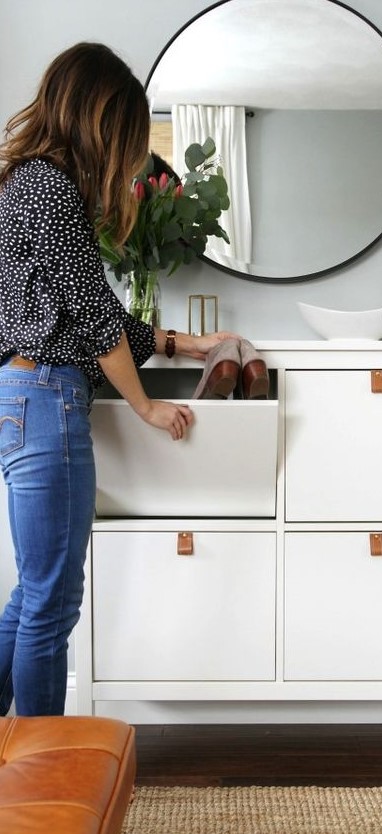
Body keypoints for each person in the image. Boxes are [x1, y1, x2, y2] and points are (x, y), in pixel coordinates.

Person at [0, 42, 238, 716]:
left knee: (34, 592)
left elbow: (84, 312)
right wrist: (145, 407)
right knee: (52, 600)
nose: (129, 157)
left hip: (26, 394)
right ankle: (45, 774)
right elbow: (95, 314)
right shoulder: (48, 188)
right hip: (47, 399)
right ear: (100, 120)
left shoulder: (29, 183)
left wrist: (173, 341)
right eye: (128, 138)